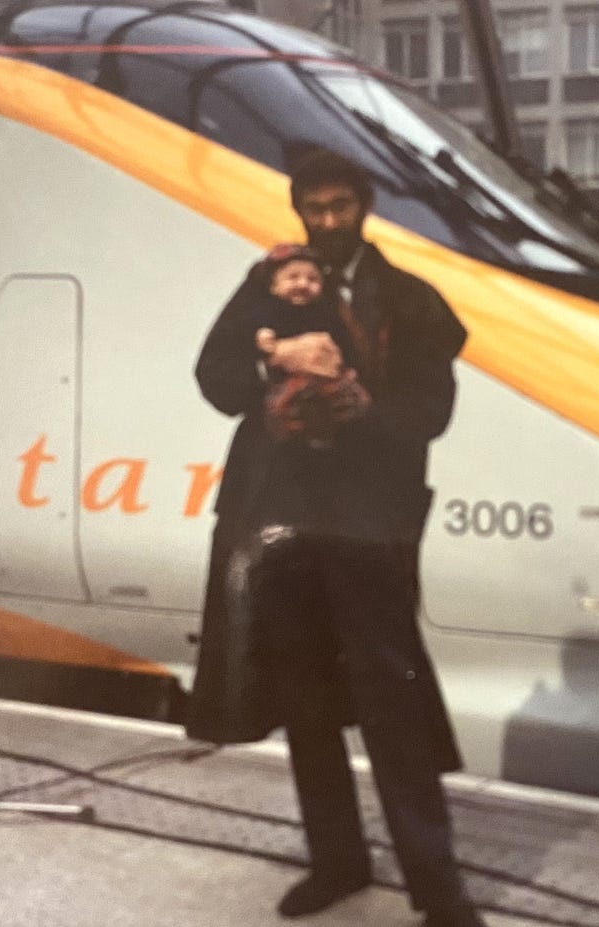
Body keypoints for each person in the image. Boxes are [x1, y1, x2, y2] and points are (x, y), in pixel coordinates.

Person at [187, 149, 482, 927]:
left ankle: (439, 889)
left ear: (364, 204)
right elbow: (214, 379)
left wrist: (364, 411)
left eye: (340, 206)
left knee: (393, 706)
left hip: (369, 527)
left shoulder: (412, 301)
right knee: (306, 697)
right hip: (284, 523)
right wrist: (273, 353)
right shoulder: (271, 288)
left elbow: (433, 414)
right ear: (299, 211)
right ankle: (337, 861)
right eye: (313, 209)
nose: (327, 223)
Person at [249, 242, 369, 448]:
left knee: (358, 402)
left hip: (329, 378)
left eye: (312, 279)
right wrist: (264, 340)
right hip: (290, 382)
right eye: (293, 277)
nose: (303, 284)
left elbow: (344, 341)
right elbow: (254, 334)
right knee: (279, 408)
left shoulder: (327, 312)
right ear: (274, 286)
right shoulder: (271, 311)